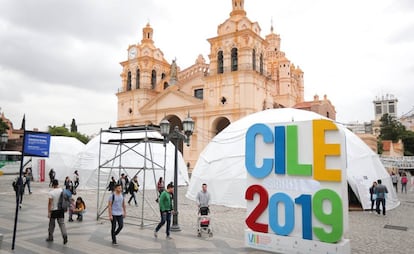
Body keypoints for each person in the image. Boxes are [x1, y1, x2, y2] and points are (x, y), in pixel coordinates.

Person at [46, 179, 68, 244]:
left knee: (51, 224)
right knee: (62, 224)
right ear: (58, 184)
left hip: (54, 210)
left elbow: (50, 203)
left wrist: (49, 212)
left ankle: (50, 237)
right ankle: (65, 235)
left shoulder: (51, 192)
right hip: (61, 210)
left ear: (53, 184)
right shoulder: (62, 190)